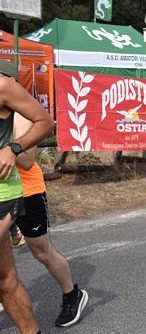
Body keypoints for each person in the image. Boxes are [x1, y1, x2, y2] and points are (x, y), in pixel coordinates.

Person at [13, 112, 88, 327]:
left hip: (26, 193)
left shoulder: (20, 117)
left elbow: (27, 161)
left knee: (41, 251)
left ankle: (72, 295)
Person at [0, 63, 54, 334]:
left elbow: (45, 121)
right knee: (6, 281)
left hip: (3, 193)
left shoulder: (4, 86)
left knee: (41, 252)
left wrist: (14, 148)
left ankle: (71, 292)